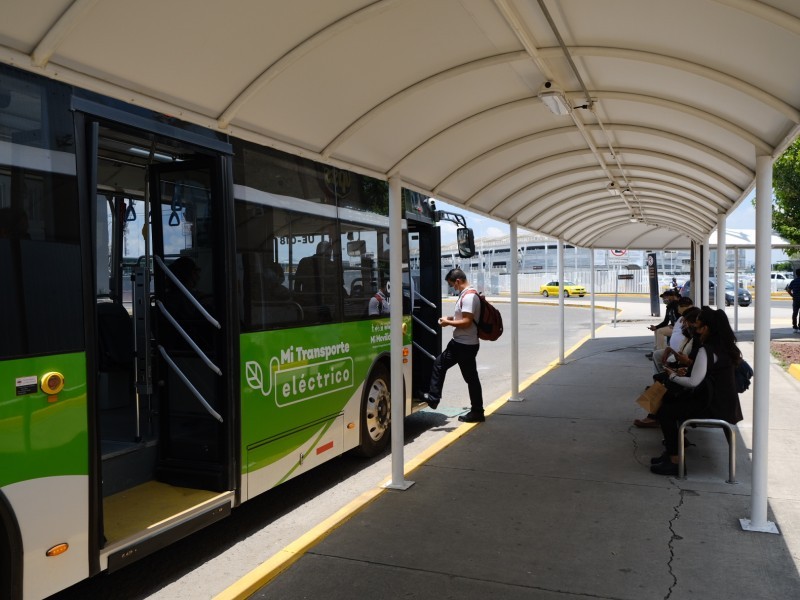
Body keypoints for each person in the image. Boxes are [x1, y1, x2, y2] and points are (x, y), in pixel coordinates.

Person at [650, 306, 744, 476]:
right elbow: (706, 374)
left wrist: (672, 376)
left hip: (713, 406)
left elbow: (694, 382)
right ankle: (672, 451)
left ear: (706, 328)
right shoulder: (725, 347)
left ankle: (674, 460)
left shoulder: (706, 350)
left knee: (666, 411)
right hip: (724, 403)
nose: (696, 330)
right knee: (669, 402)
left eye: (698, 326)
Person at [422, 268, 485, 423]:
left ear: (458, 281)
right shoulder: (468, 294)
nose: (453, 288)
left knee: (440, 364)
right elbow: (463, 317)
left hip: (463, 344)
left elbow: (467, 321)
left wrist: (447, 323)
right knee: (471, 378)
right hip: (465, 343)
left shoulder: (469, 297)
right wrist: (450, 317)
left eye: (453, 285)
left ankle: (433, 399)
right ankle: (477, 411)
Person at [645, 289, 679, 358]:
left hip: (679, 328)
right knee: (657, 330)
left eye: (666, 297)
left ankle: (660, 353)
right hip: (673, 327)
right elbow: (665, 321)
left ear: (672, 297)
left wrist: (674, 325)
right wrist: (656, 327)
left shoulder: (676, 305)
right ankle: (655, 351)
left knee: (660, 331)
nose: (664, 299)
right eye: (663, 298)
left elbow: (680, 318)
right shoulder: (669, 307)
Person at [786, 268, 800, 333]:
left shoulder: (793, 281)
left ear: (796, 274)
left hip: (795, 300)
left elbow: (788, 290)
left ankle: (794, 327)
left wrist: (792, 295)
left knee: (795, 313)